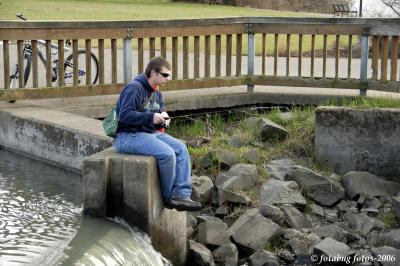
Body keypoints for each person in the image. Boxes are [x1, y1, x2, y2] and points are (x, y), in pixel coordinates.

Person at [114, 56, 202, 212]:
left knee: (181, 149)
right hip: (127, 136)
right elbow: (124, 115)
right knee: (167, 154)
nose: (167, 78)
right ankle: (169, 198)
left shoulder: (157, 92)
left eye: (169, 75)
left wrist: (164, 117)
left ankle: (181, 194)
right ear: (153, 72)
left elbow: (160, 110)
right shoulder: (134, 88)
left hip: (149, 133)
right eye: (165, 75)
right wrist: (151, 117)